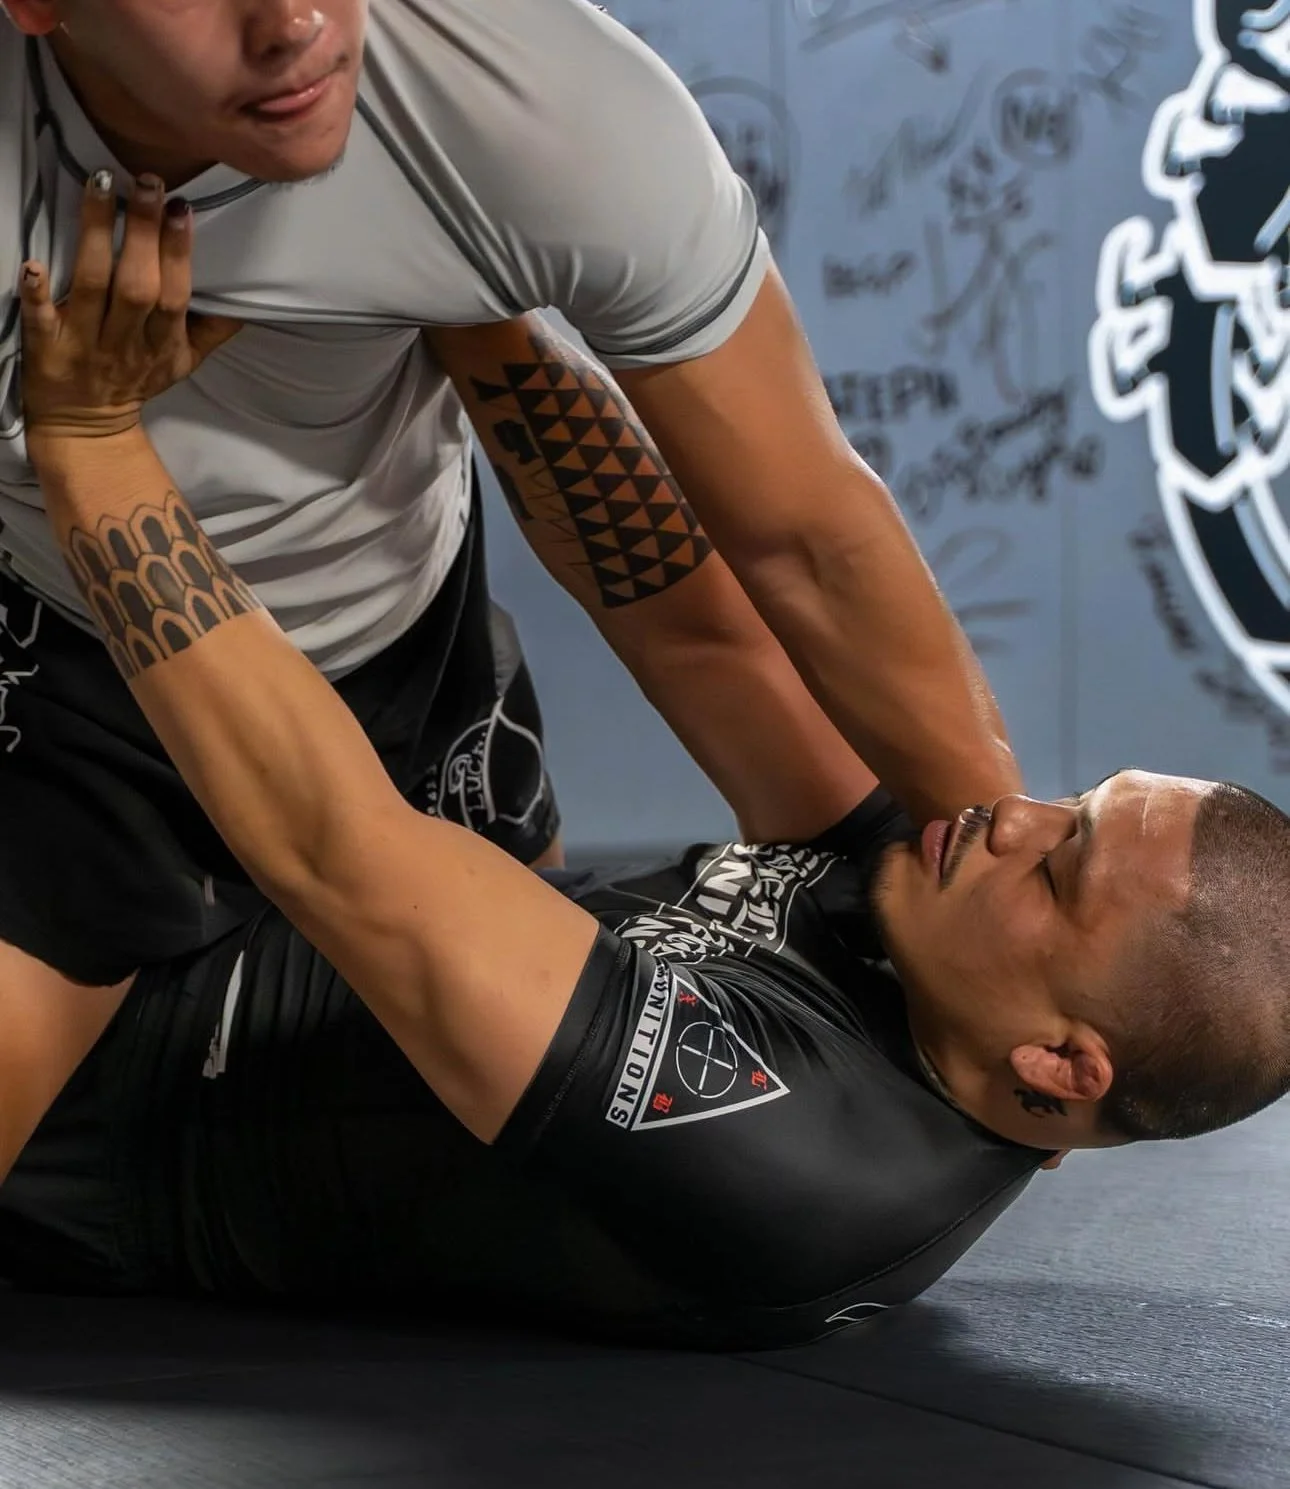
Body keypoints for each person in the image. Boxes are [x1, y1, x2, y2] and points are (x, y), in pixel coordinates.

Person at [3, 185, 1289, 1352]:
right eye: (1071, 805)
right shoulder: (949, 914)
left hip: (120, 1088)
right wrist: (474, 297)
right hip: (290, 898)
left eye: (1058, 866)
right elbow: (694, 618)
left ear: (1062, 1069)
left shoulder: (790, 1152)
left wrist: (89, 439)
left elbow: (344, 852)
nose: (1013, 814)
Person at [0, 0, 1024, 1190]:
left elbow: (801, 545)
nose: (292, 23)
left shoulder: (528, 95)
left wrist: (1018, 895)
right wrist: (78, 435)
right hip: (74, 711)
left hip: (413, 665)